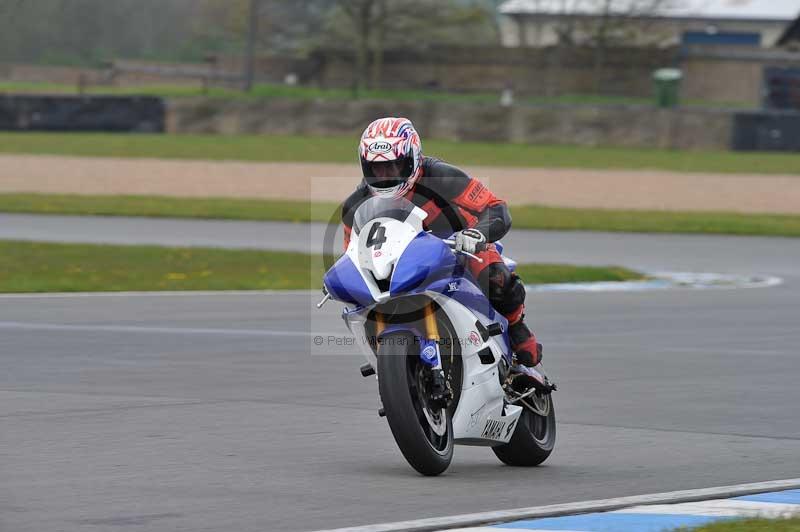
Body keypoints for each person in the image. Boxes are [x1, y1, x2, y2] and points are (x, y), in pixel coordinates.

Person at [341, 117, 542, 376]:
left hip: (456, 248)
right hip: (400, 264)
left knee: (495, 277)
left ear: (412, 158)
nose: (384, 175)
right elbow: (352, 251)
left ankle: (516, 326)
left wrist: (476, 234)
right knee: (359, 303)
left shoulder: (441, 176)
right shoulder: (356, 204)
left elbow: (496, 208)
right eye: (376, 169)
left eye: (393, 167)